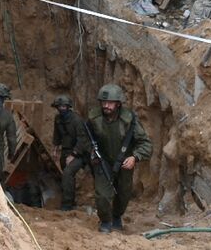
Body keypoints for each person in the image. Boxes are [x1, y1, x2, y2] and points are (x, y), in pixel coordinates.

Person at [87, 84, 152, 233]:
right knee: (102, 195)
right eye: (103, 103)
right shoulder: (94, 118)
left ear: (118, 104)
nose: (106, 106)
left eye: (110, 103)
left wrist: (135, 157)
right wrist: (91, 152)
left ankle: (116, 216)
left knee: (123, 194)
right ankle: (105, 220)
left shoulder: (129, 120)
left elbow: (145, 144)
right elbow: (85, 138)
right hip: (103, 161)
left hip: (124, 163)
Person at [51, 94, 88, 211]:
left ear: (68, 107)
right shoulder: (58, 119)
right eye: (59, 106)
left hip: (80, 153)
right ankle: (71, 199)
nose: (61, 109)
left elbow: (82, 139)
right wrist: (55, 148)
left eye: (63, 106)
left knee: (67, 172)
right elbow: (57, 135)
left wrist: (73, 155)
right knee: (65, 173)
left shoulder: (76, 120)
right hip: (66, 151)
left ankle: (67, 205)